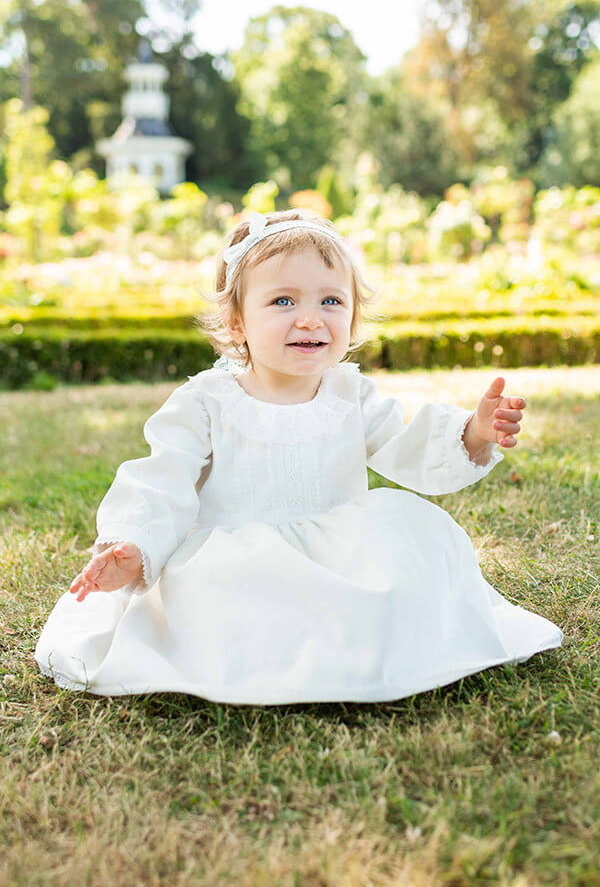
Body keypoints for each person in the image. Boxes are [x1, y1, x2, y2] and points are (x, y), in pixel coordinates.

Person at [35, 209, 563, 702]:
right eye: (283, 301)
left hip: (341, 546)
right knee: (226, 591)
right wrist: (135, 544)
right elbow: (161, 479)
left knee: (424, 533)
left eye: (330, 302)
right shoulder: (206, 401)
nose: (310, 319)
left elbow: (409, 447)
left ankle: (369, 642)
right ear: (237, 322)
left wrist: (474, 432)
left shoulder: (348, 393)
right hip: (240, 557)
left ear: (353, 318)